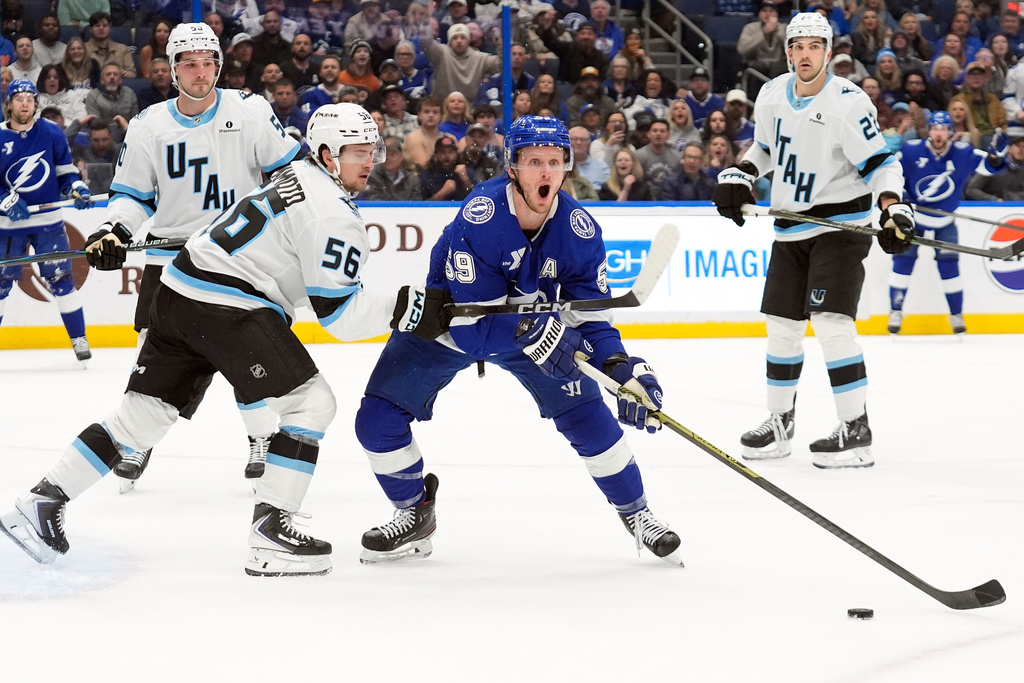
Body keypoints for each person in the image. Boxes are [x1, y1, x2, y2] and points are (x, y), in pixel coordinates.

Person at [0, 102, 453, 575]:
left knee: (142, 418)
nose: (370, 161)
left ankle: (41, 502)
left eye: (372, 150)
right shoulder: (332, 214)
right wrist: (409, 307)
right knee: (311, 404)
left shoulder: (298, 174)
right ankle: (272, 532)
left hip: (178, 290)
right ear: (326, 153)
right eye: (358, 152)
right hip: (226, 304)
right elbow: (340, 317)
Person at [354, 115, 683, 566]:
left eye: (554, 161)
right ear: (512, 167)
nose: (545, 172)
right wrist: (545, 336)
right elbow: (475, 334)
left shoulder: (580, 231)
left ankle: (638, 514)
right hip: (452, 323)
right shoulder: (482, 216)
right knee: (376, 421)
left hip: (530, 329)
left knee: (590, 419)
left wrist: (619, 367)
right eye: (533, 162)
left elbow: (592, 318)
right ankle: (414, 512)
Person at [79, 23, 304, 491]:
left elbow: (289, 174)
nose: (200, 73)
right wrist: (112, 230)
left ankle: (261, 436)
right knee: (158, 356)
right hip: (172, 264)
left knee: (253, 349)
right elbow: (132, 196)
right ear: (172, 70)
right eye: (189, 64)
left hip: (240, 259)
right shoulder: (149, 126)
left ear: (218, 67)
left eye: (208, 64)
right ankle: (137, 438)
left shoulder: (252, 111)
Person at [712, 12, 914, 470]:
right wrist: (740, 176)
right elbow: (766, 148)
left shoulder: (848, 102)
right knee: (782, 329)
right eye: (797, 46)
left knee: (831, 324)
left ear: (828, 52)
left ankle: (856, 429)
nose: (805, 54)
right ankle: (780, 422)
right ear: (787, 52)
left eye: (814, 46)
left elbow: (881, 162)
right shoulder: (769, 96)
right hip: (789, 227)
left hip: (841, 229)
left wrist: (892, 206)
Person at [0, 79, 94, 362]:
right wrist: (4, 199)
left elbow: (65, 172)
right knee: (0, 287)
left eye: (30, 98)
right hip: (7, 227)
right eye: (19, 98)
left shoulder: (52, 132)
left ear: (36, 104)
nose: (25, 103)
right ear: (8, 105)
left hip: (48, 223)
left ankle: (79, 339)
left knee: (62, 279)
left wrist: (76, 187)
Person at [887, 111, 1004, 336]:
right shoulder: (911, 150)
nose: (939, 133)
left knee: (949, 265)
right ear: (928, 131)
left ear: (950, 132)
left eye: (943, 129)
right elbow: (893, 173)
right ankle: (895, 310)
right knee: (903, 261)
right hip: (914, 218)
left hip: (945, 219)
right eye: (935, 128)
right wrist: (900, 195)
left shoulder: (963, 152)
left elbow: (988, 166)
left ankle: (956, 314)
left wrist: (996, 157)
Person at [966, 123, 1024, 199]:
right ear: (1009, 148)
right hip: (987, 208)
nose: (1021, 150)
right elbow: (971, 189)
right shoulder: (992, 164)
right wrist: (993, 200)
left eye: (1023, 147)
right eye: (1018, 146)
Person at [364, 135, 421, 200]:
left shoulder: (412, 179)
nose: (388, 158)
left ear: (401, 156)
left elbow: (416, 204)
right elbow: (373, 202)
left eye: (392, 154)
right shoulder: (372, 177)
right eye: (385, 154)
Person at [83, 12, 137, 78]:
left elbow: (132, 73)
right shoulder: (83, 49)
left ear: (110, 29)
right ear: (91, 29)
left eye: (105, 25)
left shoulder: (123, 49)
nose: (101, 28)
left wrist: (125, 74)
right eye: (97, 25)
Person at [419, 135, 473, 200]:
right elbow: (420, 207)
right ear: (435, 156)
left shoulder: (467, 173)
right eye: (442, 152)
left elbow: (478, 200)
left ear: (457, 154)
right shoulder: (425, 176)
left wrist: (466, 181)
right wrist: (441, 193)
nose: (447, 156)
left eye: (451, 152)